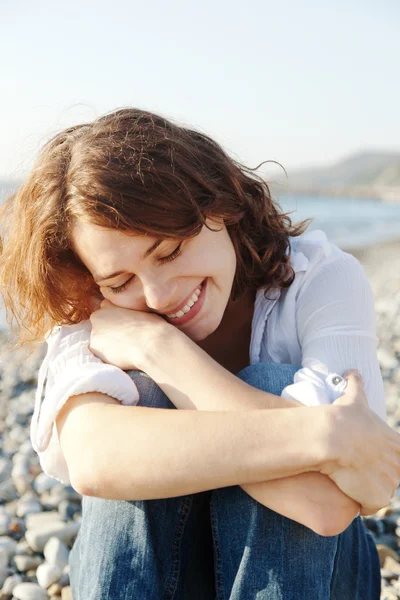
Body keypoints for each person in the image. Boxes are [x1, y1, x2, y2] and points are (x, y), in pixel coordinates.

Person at [0, 108, 398, 599]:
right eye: (121, 281)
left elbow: (324, 506)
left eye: (167, 252)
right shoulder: (97, 311)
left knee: (268, 381)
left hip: (314, 580)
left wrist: (161, 350)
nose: (159, 296)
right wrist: (322, 432)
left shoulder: (321, 278)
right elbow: (94, 460)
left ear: (220, 206)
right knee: (139, 401)